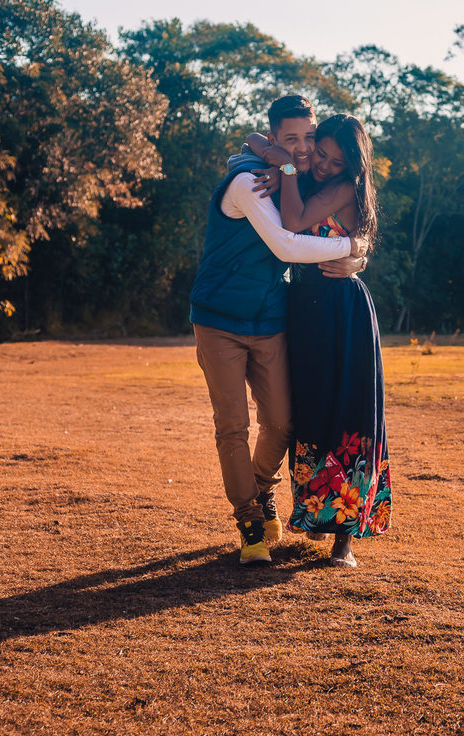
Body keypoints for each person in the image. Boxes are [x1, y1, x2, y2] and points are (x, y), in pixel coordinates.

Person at [190, 96, 368, 566]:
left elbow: (349, 206)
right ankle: (250, 520)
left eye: (310, 137)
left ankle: (264, 493)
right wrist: (352, 245)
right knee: (233, 426)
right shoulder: (251, 180)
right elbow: (288, 243)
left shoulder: (306, 174)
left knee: (284, 423)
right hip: (220, 316)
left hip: (274, 316)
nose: (307, 148)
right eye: (293, 139)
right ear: (273, 140)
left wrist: (360, 249)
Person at [245, 114, 391, 568]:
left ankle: (345, 539)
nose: (324, 164)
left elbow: (292, 220)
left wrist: (286, 168)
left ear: (353, 164)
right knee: (309, 414)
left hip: (340, 311)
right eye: (320, 154)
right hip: (303, 309)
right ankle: (310, 516)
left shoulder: (342, 187)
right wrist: (281, 159)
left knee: (346, 415)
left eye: (335, 160)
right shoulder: (304, 173)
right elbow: (252, 138)